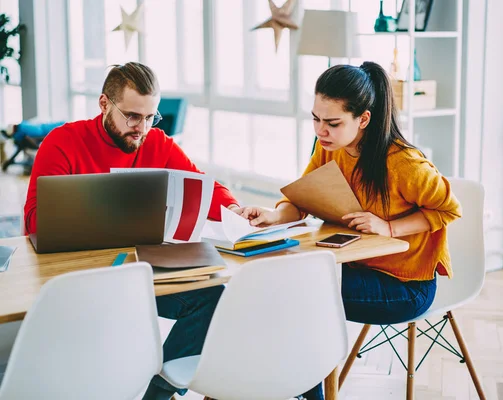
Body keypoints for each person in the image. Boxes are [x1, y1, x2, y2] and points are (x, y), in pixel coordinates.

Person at [238, 61, 462, 400]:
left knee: (303, 294)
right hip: (355, 267)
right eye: (315, 118)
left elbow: (449, 209)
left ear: (363, 119)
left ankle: (299, 392)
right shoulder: (329, 150)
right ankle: (282, 386)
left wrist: (389, 227)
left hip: (406, 285)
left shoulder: (404, 164)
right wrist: (274, 215)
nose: (320, 131)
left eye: (332, 123)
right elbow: (301, 200)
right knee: (287, 288)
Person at [23, 62, 240, 400]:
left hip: (139, 270)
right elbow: (35, 223)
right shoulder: (62, 142)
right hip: (79, 276)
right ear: (104, 104)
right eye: (132, 116)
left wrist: (236, 209)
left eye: (151, 117)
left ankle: (157, 394)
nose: (142, 128)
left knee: (212, 297)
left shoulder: (156, 142)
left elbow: (204, 189)